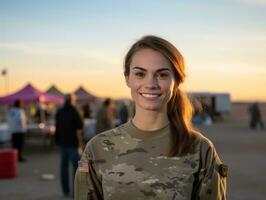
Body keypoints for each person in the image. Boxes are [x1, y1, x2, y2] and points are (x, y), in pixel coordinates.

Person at [75, 35, 227, 199]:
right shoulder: (97, 149)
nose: (151, 84)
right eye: (140, 74)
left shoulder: (200, 149)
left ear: (176, 81)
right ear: (127, 79)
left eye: (162, 75)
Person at [55, 94, 83, 197]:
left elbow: (56, 127)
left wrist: (57, 141)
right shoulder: (74, 111)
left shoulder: (59, 112)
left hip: (63, 144)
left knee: (64, 168)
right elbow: (80, 126)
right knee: (77, 170)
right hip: (73, 144)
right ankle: (75, 192)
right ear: (72, 101)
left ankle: (65, 191)